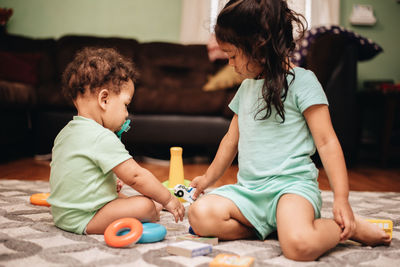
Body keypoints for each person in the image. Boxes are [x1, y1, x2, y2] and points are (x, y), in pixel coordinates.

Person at [188, 0, 391, 261]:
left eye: (232, 55)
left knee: (299, 247)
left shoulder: (304, 82)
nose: (229, 64)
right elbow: (230, 140)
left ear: (258, 47)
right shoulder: (247, 88)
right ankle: (273, 228)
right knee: (200, 216)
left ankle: (341, 229)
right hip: (250, 192)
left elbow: (327, 142)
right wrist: (208, 178)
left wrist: (341, 199)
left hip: (291, 189)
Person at [47, 47, 185, 235]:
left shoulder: (65, 133)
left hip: (62, 214)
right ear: (104, 99)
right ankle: (151, 209)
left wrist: (108, 183)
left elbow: (77, 175)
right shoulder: (101, 136)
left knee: (123, 194)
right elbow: (136, 176)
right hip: (85, 218)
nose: (127, 114)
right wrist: (167, 198)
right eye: (126, 105)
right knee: (146, 205)